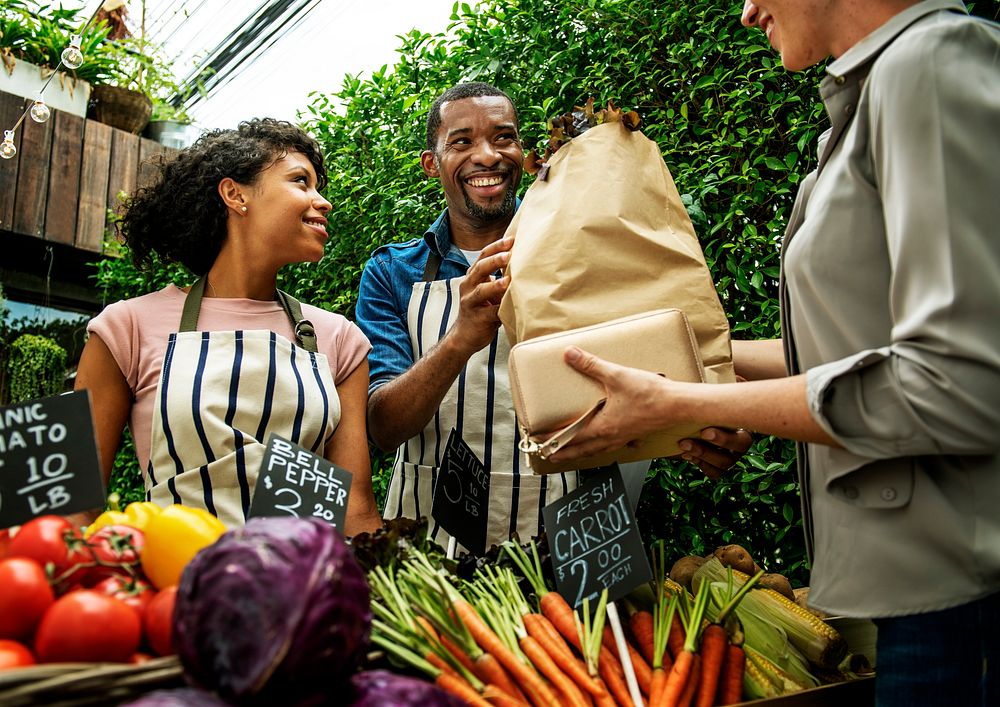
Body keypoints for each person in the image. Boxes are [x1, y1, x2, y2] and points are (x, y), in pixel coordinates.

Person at [549, 2, 1000, 704]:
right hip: (923, 598)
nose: (747, 9)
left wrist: (684, 400)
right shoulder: (868, 97)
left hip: (965, 603)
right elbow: (843, 353)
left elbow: (955, 381)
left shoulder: (929, 63)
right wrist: (687, 370)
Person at [356, 82, 751, 550]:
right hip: (437, 537)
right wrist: (460, 338)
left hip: (576, 525)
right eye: (461, 142)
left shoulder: (584, 242)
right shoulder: (391, 273)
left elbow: (646, 362)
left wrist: (708, 419)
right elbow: (383, 427)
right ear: (432, 163)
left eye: (503, 138)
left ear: (523, 153)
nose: (486, 156)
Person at [75, 118, 383, 535]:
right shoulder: (124, 327)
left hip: (299, 587)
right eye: (301, 181)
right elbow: (69, 503)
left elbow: (355, 510)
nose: (323, 201)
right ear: (235, 194)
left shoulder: (339, 339)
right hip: (175, 587)